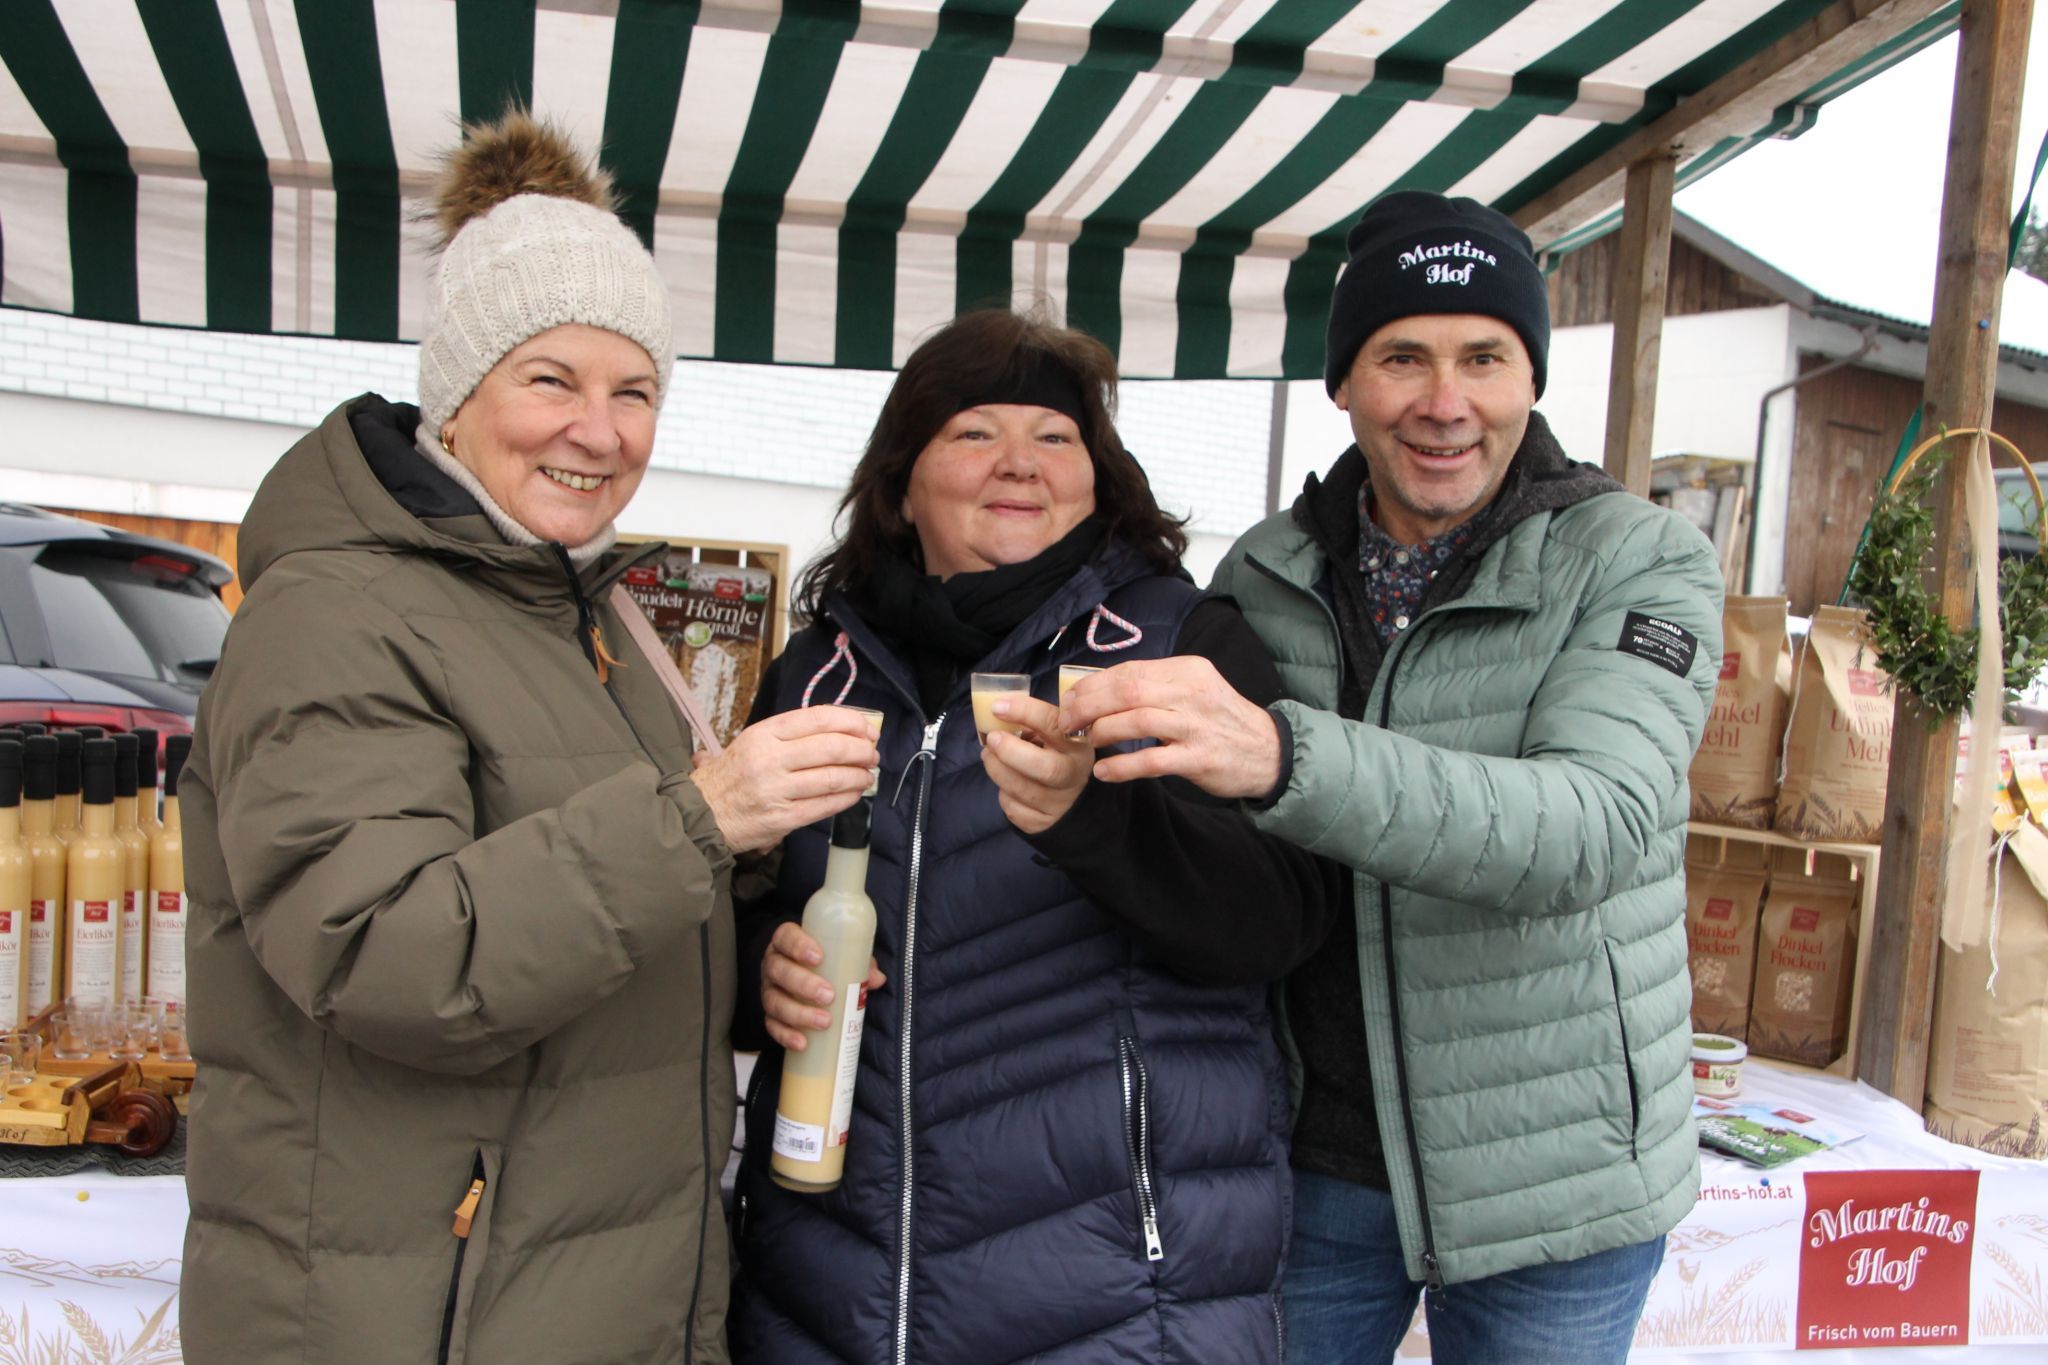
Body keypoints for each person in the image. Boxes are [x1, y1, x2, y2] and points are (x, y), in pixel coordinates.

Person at [178, 113, 875, 1364]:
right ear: (455, 399)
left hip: (588, 1289)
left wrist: (749, 967)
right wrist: (702, 818)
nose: (597, 432)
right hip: (413, 1309)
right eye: (549, 380)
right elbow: (382, 954)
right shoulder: (333, 614)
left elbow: (604, 922)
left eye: (633, 392)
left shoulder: (591, 614)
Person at [1058, 191, 1724, 1363]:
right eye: (1401, 357)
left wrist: (1284, 757)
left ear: (1529, 380)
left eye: (1483, 358)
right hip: (1314, 1166)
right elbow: (1215, 865)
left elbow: (1589, 829)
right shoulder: (1266, 570)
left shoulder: (1635, 557)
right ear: (1343, 385)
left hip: (1558, 1176)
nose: (1443, 401)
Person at [727, 309, 1335, 1364]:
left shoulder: (1175, 646)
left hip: (1111, 1296)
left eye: (1055, 436)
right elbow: (728, 911)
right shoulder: (815, 671)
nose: (1019, 462)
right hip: (831, 1286)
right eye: (974, 432)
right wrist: (758, 969)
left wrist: (1091, 822)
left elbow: (1280, 921)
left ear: (1098, 480)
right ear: (900, 483)